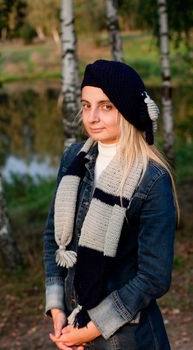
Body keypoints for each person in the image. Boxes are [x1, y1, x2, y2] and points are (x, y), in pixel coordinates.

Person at [43, 59, 178, 350]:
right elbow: (52, 237)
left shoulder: (152, 179)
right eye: (86, 105)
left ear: (127, 109)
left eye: (106, 106)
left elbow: (154, 277)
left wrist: (91, 329)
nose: (92, 117)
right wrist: (57, 310)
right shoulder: (73, 158)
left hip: (128, 338)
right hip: (73, 325)